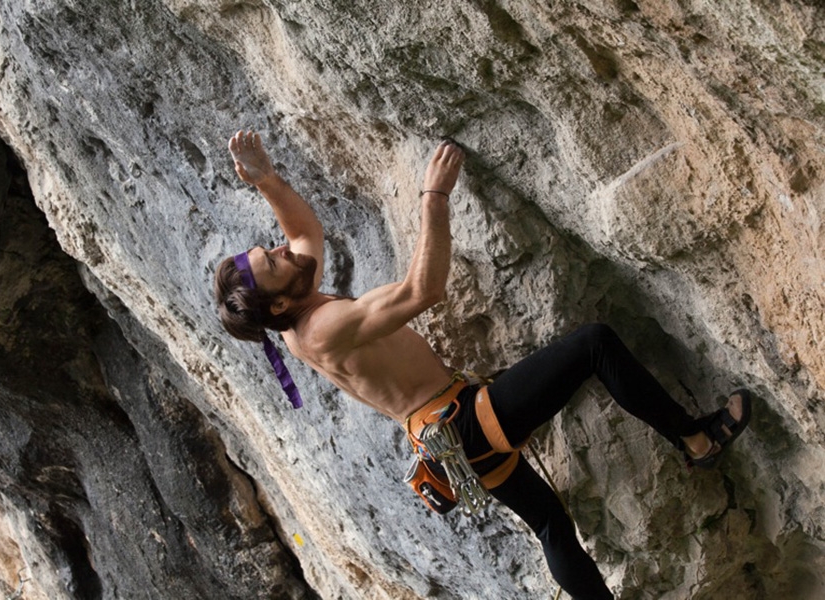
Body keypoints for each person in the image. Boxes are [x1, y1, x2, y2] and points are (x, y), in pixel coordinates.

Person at [213, 130, 752, 600]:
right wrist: (435, 198)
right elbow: (423, 290)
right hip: (462, 423)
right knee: (594, 344)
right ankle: (693, 440)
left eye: (270, 249)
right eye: (272, 261)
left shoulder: (292, 314)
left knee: (550, 525)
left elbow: (307, 235)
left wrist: (267, 180)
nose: (281, 251)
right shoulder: (322, 328)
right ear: (279, 303)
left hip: (450, 444)